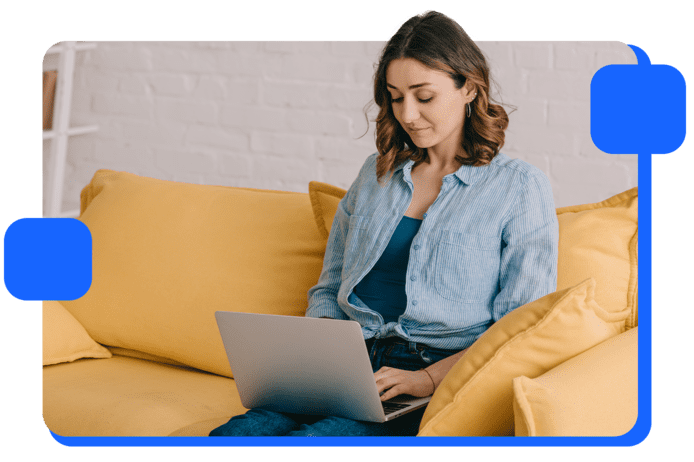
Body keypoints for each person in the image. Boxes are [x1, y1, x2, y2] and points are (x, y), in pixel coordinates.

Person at [210, 10, 558, 437]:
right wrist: (318, 355)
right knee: (234, 436)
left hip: (431, 372)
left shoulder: (520, 189)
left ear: (468, 87)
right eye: (395, 97)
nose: (408, 114)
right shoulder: (376, 174)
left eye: (423, 96)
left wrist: (427, 381)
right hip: (344, 361)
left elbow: (517, 328)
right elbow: (331, 283)